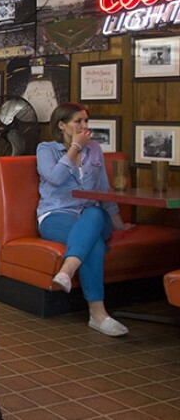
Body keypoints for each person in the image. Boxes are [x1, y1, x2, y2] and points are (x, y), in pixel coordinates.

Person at [36, 102, 133, 337]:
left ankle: (67, 269)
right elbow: (55, 178)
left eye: (86, 121)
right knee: (94, 243)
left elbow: (103, 189)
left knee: (96, 213)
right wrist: (75, 148)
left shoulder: (95, 149)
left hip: (92, 215)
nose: (84, 126)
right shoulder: (46, 149)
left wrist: (118, 223)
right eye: (78, 121)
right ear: (62, 125)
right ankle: (98, 315)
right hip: (56, 215)